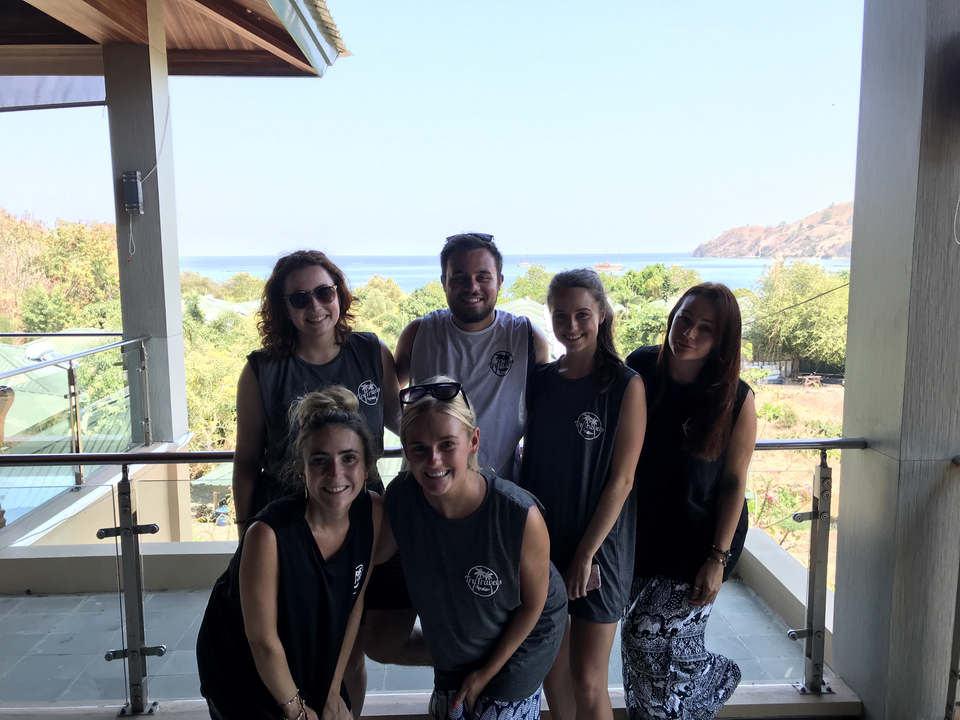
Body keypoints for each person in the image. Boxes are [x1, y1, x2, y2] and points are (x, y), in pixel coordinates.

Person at [230, 249, 400, 715]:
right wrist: (248, 536)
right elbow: (246, 462)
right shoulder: (262, 371)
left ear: (340, 295)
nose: (315, 306)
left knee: (351, 650)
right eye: (299, 297)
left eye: (324, 292)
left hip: (357, 522)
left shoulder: (372, 352)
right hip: (289, 532)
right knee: (287, 642)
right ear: (283, 308)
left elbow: (405, 425)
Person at [376, 376, 567, 720]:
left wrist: (485, 674)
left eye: (447, 444)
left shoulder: (519, 514)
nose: (433, 460)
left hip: (527, 630)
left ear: (473, 441)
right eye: (419, 448)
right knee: (450, 711)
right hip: (469, 624)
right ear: (406, 451)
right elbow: (374, 555)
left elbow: (535, 603)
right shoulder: (402, 499)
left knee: (493, 713)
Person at [197, 387, 382, 720]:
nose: (336, 473)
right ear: (302, 470)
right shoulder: (268, 535)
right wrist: (297, 711)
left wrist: (330, 690)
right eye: (320, 461)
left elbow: (353, 607)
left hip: (301, 648)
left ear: (367, 466)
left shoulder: (373, 515)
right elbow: (262, 640)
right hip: (240, 667)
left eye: (348, 458)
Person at [621, 282, 757, 719]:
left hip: (703, 540)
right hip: (644, 534)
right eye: (684, 320)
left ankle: (713, 677)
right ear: (672, 316)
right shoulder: (640, 368)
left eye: (706, 329)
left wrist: (717, 559)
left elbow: (735, 482)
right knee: (642, 645)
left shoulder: (735, 397)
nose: (689, 334)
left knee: (645, 636)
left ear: (722, 341)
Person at [518, 269, 646, 720]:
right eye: (560, 315)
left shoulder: (625, 384)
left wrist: (586, 554)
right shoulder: (541, 380)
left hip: (600, 548)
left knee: (588, 679)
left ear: (602, 315)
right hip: (543, 543)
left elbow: (622, 480)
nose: (571, 326)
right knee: (551, 665)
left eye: (582, 314)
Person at [395, 232, 549, 482]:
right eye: (459, 277)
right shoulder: (418, 334)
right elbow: (387, 398)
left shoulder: (526, 338)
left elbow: (544, 417)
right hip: (425, 491)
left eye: (483, 277)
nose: (472, 287)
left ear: (499, 281)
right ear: (444, 281)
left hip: (500, 494)